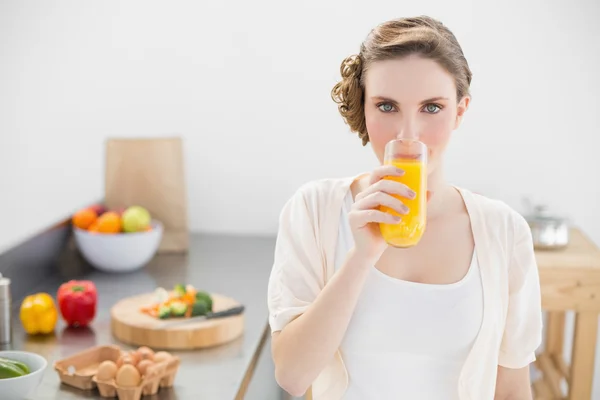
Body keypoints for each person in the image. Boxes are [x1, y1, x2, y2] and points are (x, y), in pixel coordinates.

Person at [267, 15, 542, 400]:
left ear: (460, 111)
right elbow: (292, 376)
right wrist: (361, 257)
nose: (408, 135)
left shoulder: (504, 231)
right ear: (363, 108)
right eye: (387, 106)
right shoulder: (314, 210)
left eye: (431, 107)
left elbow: (512, 391)